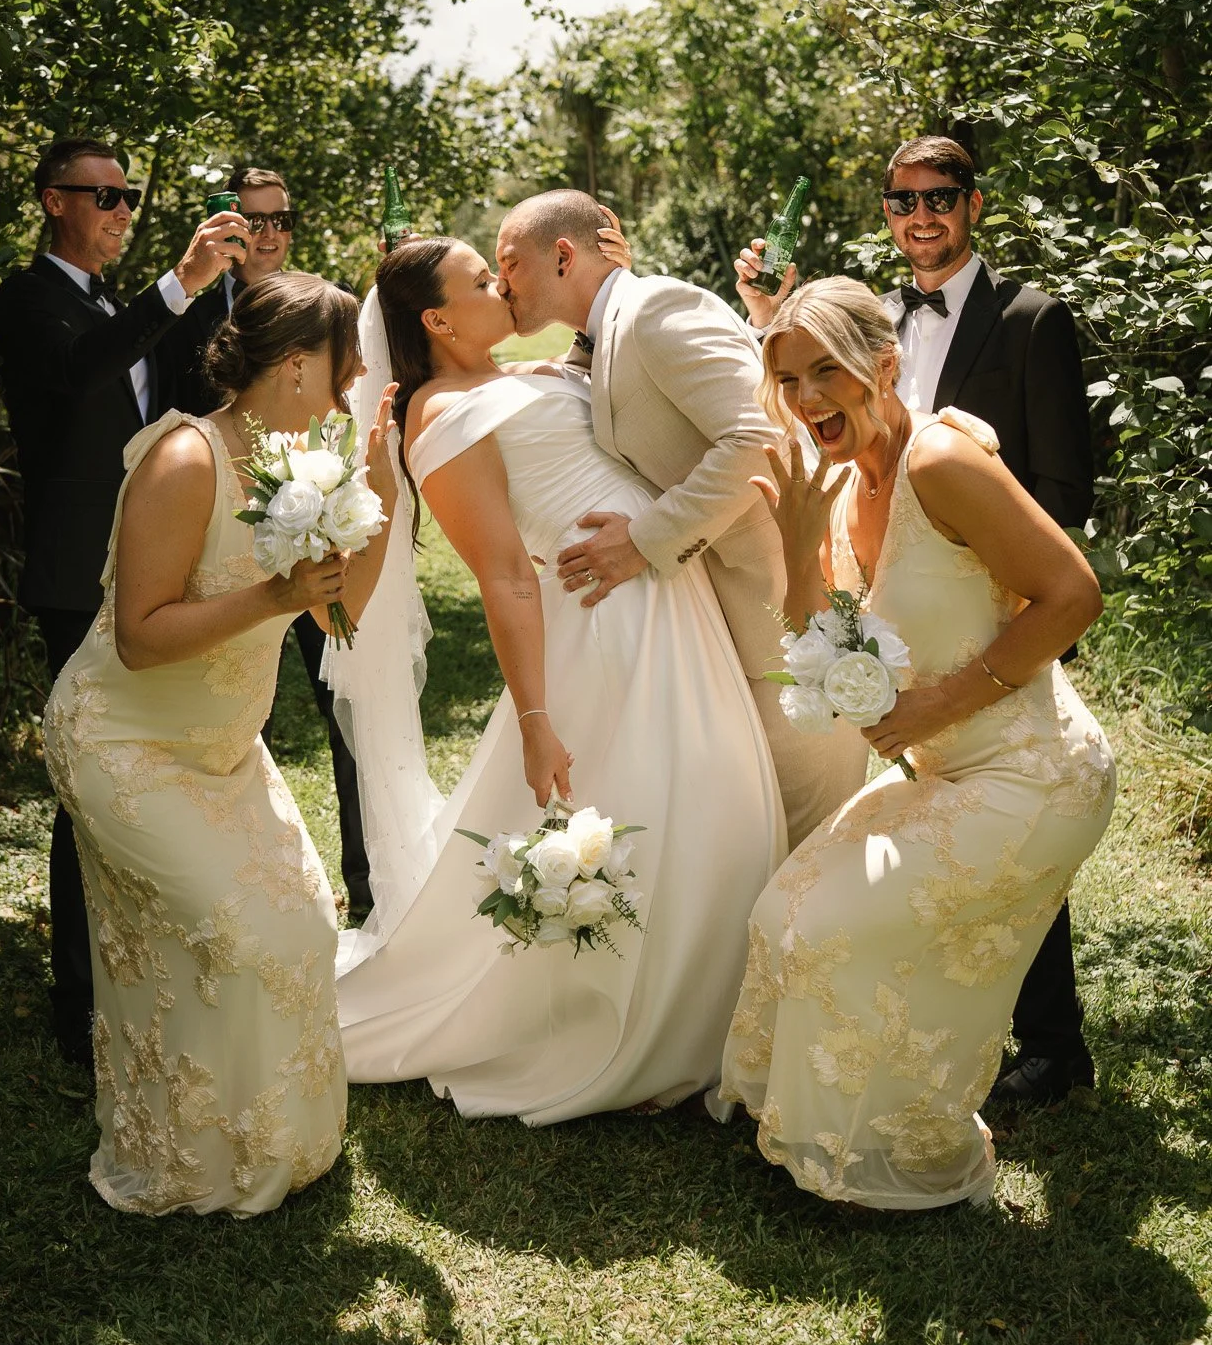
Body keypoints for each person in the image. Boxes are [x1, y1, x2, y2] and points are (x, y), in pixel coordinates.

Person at [334, 236, 787, 1122]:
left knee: (713, 798)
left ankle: (710, 1013)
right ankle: (623, 1021)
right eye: (478, 281)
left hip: (666, 597)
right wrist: (536, 719)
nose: (499, 285)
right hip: (600, 623)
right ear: (436, 320)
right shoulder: (434, 414)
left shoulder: (537, 367)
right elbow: (502, 573)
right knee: (652, 805)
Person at [713, 277, 1114, 1210]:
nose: (808, 399)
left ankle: (907, 1154)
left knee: (830, 928)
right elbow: (828, 654)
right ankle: (824, 1134)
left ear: (882, 366)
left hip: (1033, 773)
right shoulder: (846, 481)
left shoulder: (940, 464)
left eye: (826, 373)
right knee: (782, 914)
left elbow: (1073, 595)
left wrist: (939, 707)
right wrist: (802, 538)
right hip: (942, 771)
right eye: (788, 380)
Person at [41, 273, 398, 1215]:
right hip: (123, 737)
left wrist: (387, 497)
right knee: (241, 934)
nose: (356, 375)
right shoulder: (186, 458)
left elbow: (343, 618)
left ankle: (270, 1141)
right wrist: (271, 598)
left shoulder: (305, 460)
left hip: (222, 747)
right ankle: (185, 1157)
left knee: (304, 925)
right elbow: (138, 636)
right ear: (293, 366)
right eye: (345, 360)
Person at [494, 190, 866, 850]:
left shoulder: (657, 310)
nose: (500, 285)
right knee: (760, 853)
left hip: (784, 623)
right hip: (723, 637)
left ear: (561, 256)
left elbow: (758, 438)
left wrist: (642, 542)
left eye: (508, 263)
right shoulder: (609, 331)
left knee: (814, 848)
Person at [0, 137, 248, 1067]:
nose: (120, 210)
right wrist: (177, 283)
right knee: (90, 782)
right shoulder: (30, 302)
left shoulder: (119, 304)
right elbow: (81, 374)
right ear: (52, 202)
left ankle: (151, 964)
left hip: (153, 566)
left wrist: (221, 283)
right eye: (101, 195)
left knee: (157, 760)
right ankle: (78, 1008)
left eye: (127, 196)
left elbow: (196, 383)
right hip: (75, 575)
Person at [159, 165, 373, 923]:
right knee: (231, 706)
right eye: (255, 220)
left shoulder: (323, 307)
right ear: (228, 228)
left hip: (311, 525)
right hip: (221, 538)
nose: (272, 233)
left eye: (282, 218)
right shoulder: (187, 315)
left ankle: (367, 882)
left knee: (345, 694)